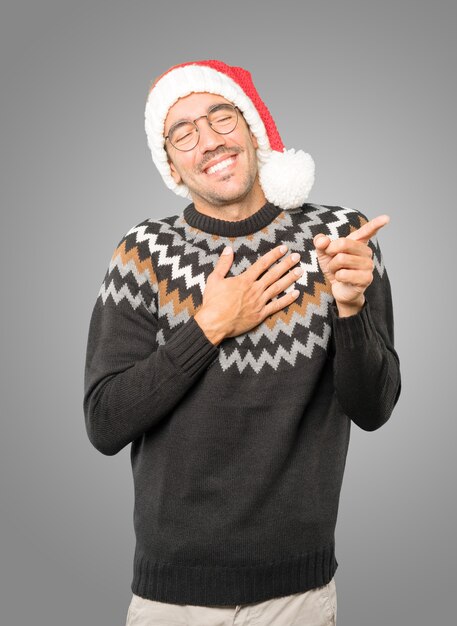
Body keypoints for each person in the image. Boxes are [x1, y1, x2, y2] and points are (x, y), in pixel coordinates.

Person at [83, 59, 401, 626]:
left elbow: (372, 408)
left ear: (253, 128)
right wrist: (208, 328)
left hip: (298, 593)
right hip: (170, 598)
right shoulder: (144, 252)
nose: (207, 141)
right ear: (173, 166)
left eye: (221, 117)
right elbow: (105, 422)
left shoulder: (340, 239)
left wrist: (351, 309)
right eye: (182, 133)